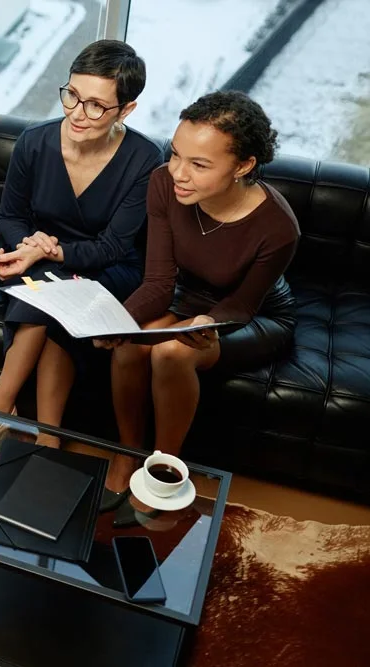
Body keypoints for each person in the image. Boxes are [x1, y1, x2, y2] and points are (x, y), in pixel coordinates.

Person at [97, 91, 299, 511]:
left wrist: (208, 320)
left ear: (243, 166)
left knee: (171, 352)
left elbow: (243, 305)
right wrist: (117, 322)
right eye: (175, 155)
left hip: (251, 314)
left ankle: (164, 471)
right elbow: (157, 282)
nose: (179, 174)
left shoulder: (279, 227)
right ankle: (127, 450)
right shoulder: (162, 184)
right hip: (187, 296)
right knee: (132, 343)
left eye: (199, 164)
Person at [0, 40, 163, 443]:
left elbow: (115, 246)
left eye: (96, 106)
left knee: (53, 283)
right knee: (50, 285)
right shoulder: (34, 141)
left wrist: (48, 251)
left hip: (109, 266)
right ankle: (48, 433)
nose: (77, 114)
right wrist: (30, 244)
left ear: (127, 110)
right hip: (44, 256)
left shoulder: (144, 160)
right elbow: (9, 216)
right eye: (72, 96)